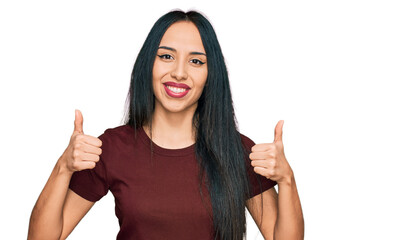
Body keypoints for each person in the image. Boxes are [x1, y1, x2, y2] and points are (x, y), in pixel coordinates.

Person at [28, 10, 304, 240]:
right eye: (166, 56)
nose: (180, 72)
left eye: (196, 61)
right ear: (148, 64)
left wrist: (287, 179)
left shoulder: (236, 150)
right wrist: (63, 167)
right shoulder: (113, 148)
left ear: (211, 74)